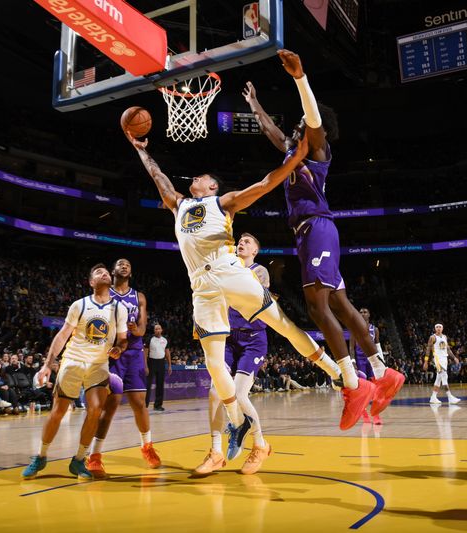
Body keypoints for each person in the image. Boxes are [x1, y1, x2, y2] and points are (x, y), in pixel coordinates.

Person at [126, 122, 369, 446]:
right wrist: (142, 151)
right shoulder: (178, 204)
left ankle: (338, 373)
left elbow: (265, 184)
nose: (195, 178)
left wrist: (293, 160)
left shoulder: (222, 203)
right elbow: (158, 177)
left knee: (282, 324)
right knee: (214, 365)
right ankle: (237, 423)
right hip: (201, 287)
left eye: (202, 177)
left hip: (230, 272)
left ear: (212, 187)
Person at [242, 49, 404, 418]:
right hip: (310, 233)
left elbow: (312, 117)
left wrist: (300, 77)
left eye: (303, 122)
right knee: (340, 305)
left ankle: (353, 383)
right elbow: (271, 132)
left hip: (316, 227)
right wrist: (254, 104)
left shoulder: (318, 147)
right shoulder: (293, 151)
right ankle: (382, 372)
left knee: (317, 306)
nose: (299, 124)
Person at [22, 263, 127, 481]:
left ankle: (79, 460)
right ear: (91, 282)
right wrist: (47, 365)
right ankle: (41, 456)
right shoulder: (79, 305)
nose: (104, 273)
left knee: (96, 410)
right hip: (72, 361)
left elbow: (123, 339)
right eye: (98, 272)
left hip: (98, 365)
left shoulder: (120, 309)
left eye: (106, 271)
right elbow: (62, 335)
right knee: (58, 412)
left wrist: (119, 348)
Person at [195, 233, 272, 475]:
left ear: (255, 251)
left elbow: (251, 296)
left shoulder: (259, 271)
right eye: (240, 240)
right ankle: (216, 451)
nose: (242, 242)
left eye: (248, 242)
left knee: (238, 394)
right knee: (214, 392)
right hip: (228, 338)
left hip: (253, 339)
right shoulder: (226, 267)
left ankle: (260, 445)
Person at [103, 258, 161, 469]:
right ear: (113, 271)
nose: (124, 265)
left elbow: (142, 330)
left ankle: (147, 446)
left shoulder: (139, 297)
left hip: (134, 351)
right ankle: (95, 455)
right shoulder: (105, 293)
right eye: (120, 263)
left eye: (128, 264)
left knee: (139, 402)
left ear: (131, 272)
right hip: (113, 352)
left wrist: (135, 328)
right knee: (110, 405)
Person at [86, 372, 124, 478]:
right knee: (93, 415)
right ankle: (80, 458)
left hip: (115, 370)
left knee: (106, 416)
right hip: (90, 368)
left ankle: (94, 457)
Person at [350, 308, 382, 424]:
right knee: (363, 389)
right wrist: (353, 362)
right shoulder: (354, 329)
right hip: (360, 361)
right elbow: (351, 348)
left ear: (369, 315)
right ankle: (364, 414)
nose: (363, 314)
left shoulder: (375, 329)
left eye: (365, 312)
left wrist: (381, 362)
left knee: (375, 388)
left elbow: (378, 346)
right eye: (361, 312)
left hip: (372, 360)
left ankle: (376, 415)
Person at [424, 324, 461, 405]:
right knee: (444, 376)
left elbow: (447, 349)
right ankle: (450, 397)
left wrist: (454, 357)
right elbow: (428, 349)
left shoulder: (444, 337)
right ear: (435, 329)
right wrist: (426, 361)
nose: (438, 328)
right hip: (437, 359)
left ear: (442, 328)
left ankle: (433, 397)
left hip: (444, 358)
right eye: (437, 327)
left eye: (440, 327)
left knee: (438, 379)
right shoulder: (432, 337)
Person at [145, 323, 170, 411]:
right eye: (156, 329)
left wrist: (169, 365)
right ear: (154, 330)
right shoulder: (150, 339)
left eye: (159, 329)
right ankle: (145, 404)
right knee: (148, 384)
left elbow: (167, 353)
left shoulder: (165, 340)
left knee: (160, 385)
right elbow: (145, 353)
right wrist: (146, 366)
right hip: (151, 362)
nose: (158, 330)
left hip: (161, 363)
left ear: (161, 330)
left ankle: (158, 405)